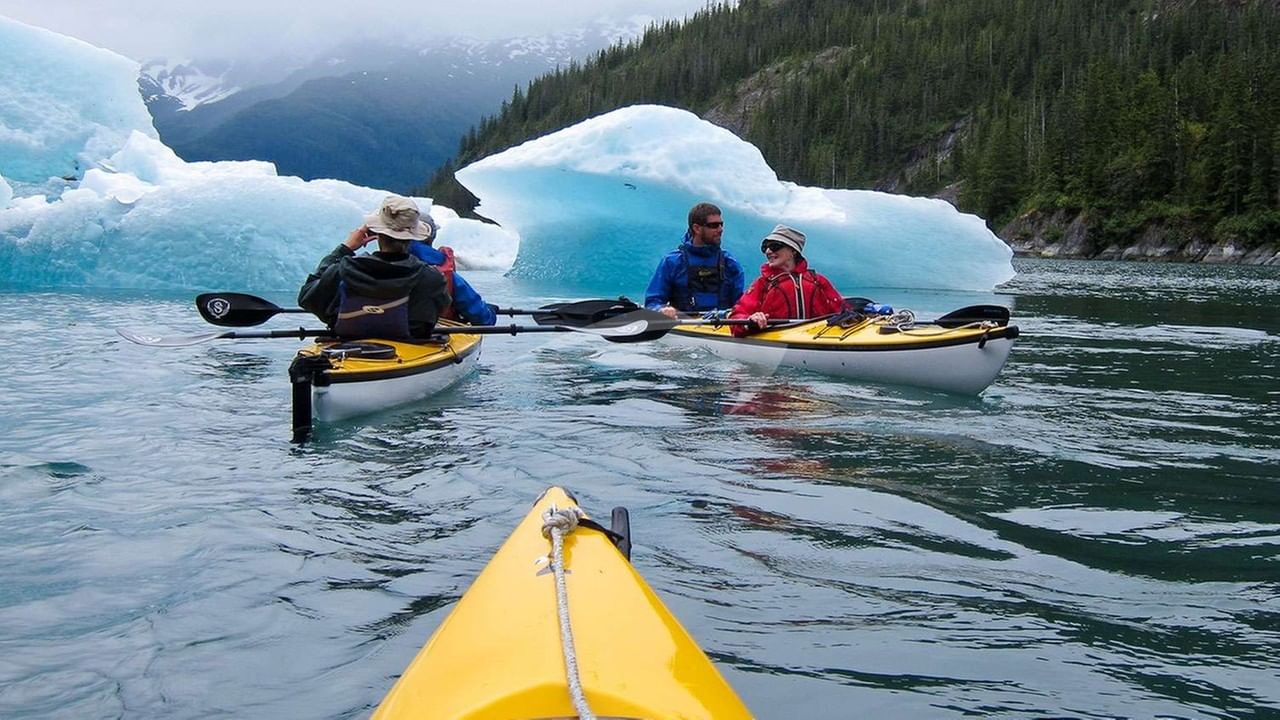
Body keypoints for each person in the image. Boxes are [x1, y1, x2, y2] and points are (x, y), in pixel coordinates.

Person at [298, 196, 451, 339]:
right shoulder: (431, 278)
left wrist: (345, 248)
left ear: (376, 232)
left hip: (347, 348)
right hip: (411, 350)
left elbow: (307, 298)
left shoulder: (342, 269)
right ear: (412, 236)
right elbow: (437, 311)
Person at [729, 224, 847, 337]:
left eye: (775, 246)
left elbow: (842, 310)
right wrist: (751, 321)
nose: (768, 251)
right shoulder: (762, 284)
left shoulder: (818, 281)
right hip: (776, 339)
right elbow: (737, 317)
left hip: (817, 336)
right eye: (765, 247)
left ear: (793, 251)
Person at [644, 202, 746, 319]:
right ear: (696, 228)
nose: (720, 229)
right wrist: (661, 309)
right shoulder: (672, 262)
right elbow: (653, 302)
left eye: (721, 224)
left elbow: (741, 306)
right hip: (683, 328)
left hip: (720, 328)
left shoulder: (731, 264)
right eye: (714, 225)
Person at [407, 207, 497, 326]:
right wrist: (490, 312)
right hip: (431, 333)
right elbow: (482, 318)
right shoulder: (444, 273)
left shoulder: (385, 264)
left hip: (388, 332)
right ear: (431, 237)